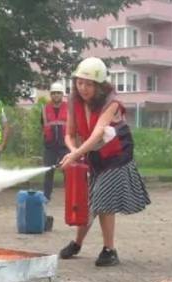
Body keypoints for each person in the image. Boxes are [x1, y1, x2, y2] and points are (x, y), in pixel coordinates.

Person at [58, 57, 151, 267]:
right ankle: (77, 243)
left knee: (102, 196)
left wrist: (74, 156)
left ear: (99, 86)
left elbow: (98, 133)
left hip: (117, 155)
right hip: (94, 155)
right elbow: (69, 135)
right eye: (80, 82)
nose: (83, 88)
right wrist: (74, 152)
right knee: (89, 201)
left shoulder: (111, 102)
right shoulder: (74, 101)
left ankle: (110, 250)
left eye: (89, 84)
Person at [41, 82, 70, 201]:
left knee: (68, 172)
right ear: (51, 95)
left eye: (58, 93)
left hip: (65, 145)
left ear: (62, 94)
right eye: (54, 93)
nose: (56, 95)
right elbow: (42, 125)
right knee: (48, 172)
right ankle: (46, 196)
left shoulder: (69, 108)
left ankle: (70, 195)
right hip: (50, 145)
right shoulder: (45, 108)